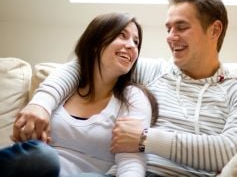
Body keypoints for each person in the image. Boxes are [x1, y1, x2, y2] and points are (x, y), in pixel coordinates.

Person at [11, 0, 237, 176]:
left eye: (181, 27)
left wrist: (146, 138)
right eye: (168, 28)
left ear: (214, 29)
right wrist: (41, 103)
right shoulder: (153, 72)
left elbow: (234, 150)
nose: (170, 36)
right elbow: (85, 64)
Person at [1, 12, 158, 177]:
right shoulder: (64, 86)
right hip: (37, 170)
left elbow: (132, 160)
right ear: (95, 43)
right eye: (122, 35)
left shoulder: (133, 97)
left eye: (136, 42)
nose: (132, 46)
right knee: (43, 156)